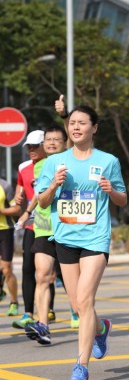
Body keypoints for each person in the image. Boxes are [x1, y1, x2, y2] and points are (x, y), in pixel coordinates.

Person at [37, 104, 127, 380]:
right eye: (72, 122)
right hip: (65, 238)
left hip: (95, 238)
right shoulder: (54, 162)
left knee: (86, 300)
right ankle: (101, 328)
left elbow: (123, 198)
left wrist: (111, 191)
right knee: (77, 304)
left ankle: (81, 366)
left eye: (82, 123)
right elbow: (42, 202)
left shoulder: (108, 161)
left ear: (94, 127)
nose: (75, 127)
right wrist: (54, 185)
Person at [19, 125, 78, 345]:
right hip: (44, 228)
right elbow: (39, 194)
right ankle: (43, 325)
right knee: (42, 275)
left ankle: (86, 318)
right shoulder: (39, 166)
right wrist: (27, 212)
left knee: (73, 283)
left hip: (69, 228)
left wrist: (64, 116)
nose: (51, 143)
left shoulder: (73, 160)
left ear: (65, 142)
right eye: (48, 139)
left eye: (56, 139)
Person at [12, 130, 46, 329]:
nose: (31, 150)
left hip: (52, 225)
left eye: (35, 146)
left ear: (44, 146)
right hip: (33, 224)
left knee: (53, 272)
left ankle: (74, 311)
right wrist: (18, 197)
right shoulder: (23, 167)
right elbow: (20, 190)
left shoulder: (52, 165)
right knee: (27, 268)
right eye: (28, 147)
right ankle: (28, 313)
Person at [0, 177, 21, 315]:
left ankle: (14, 302)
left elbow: (17, 209)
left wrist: (1, 211)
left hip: (5, 231)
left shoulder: (5, 186)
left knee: (6, 269)